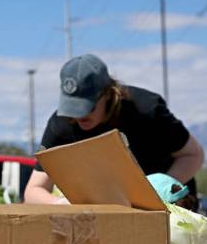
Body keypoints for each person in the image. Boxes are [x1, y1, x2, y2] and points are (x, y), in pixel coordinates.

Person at [24, 54, 203, 204]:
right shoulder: (61, 124)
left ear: (109, 93)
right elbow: (33, 190)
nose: (79, 117)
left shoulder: (146, 110)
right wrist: (62, 204)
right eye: (72, 108)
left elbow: (193, 155)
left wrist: (161, 189)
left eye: (88, 108)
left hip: (170, 208)